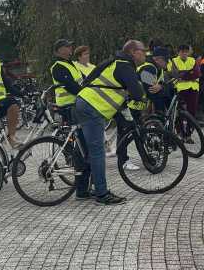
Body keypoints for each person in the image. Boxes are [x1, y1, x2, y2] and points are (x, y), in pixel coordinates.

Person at [75, 40, 145, 205]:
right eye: (143, 51)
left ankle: (82, 190)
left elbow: (92, 81)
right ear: (134, 52)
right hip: (92, 108)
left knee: (85, 150)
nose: (145, 54)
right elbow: (136, 93)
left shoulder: (114, 61)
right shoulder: (124, 65)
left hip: (84, 102)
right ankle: (102, 194)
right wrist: (141, 90)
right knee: (97, 152)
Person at [50, 39, 91, 200]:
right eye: (67, 47)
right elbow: (70, 86)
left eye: (70, 46)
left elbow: (82, 81)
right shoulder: (57, 67)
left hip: (78, 105)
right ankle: (81, 189)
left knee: (83, 145)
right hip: (69, 107)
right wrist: (87, 94)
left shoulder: (72, 64)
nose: (70, 48)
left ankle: (85, 186)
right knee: (81, 147)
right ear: (59, 50)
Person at [167, 45, 200, 136]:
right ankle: (181, 132)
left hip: (193, 88)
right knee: (179, 112)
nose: (184, 53)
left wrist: (183, 74)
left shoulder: (193, 60)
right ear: (178, 52)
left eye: (186, 51)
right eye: (182, 51)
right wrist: (189, 73)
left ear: (189, 52)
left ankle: (189, 133)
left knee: (192, 112)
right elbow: (175, 74)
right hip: (179, 89)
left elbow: (197, 73)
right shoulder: (173, 61)